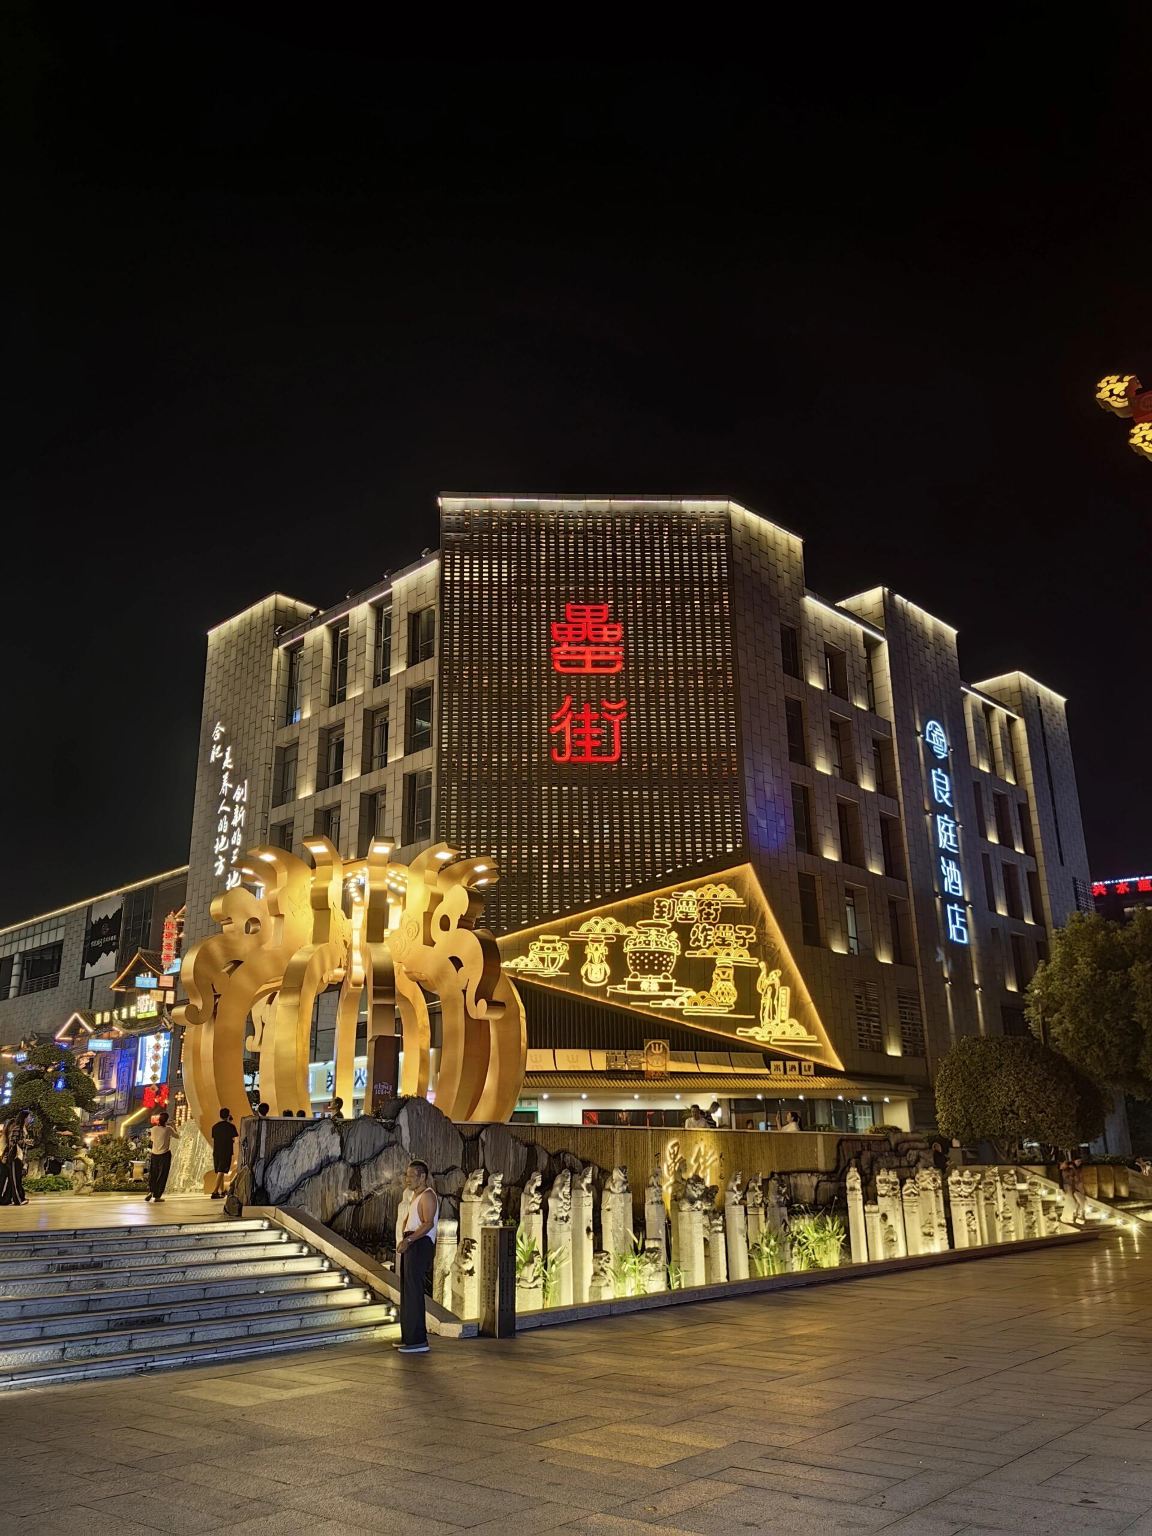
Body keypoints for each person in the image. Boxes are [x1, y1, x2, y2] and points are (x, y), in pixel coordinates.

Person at [394, 1159, 438, 1354]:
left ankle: (419, 1340)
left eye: (412, 1175)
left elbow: (428, 1224)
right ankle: (408, 1337)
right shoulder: (415, 1196)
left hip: (419, 1243)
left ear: (422, 1177)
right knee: (407, 1291)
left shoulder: (428, 1196)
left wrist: (409, 1240)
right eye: (407, 1175)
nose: (407, 1179)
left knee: (414, 1291)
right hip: (411, 1242)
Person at [146, 1111, 179, 1202]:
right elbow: (177, 1136)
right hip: (164, 1155)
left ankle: (151, 1191)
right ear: (167, 1120)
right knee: (162, 1175)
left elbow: (152, 1139)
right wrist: (173, 1126)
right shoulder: (168, 1129)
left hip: (154, 1154)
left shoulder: (153, 1129)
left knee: (153, 1174)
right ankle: (157, 1196)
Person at [0, 1110, 32, 1206]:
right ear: (25, 1118)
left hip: (20, 1156)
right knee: (15, 1179)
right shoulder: (18, 1128)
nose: (30, 1119)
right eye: (29, 1117)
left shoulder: (24, 1128)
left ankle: (6, 1200)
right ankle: (19, 1199)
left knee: (14, 1179)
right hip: (15, 1156)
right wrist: (24, 1141)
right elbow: (12, 1142)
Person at [210, 1107, 238, 1199]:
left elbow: (214, 1139)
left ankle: (221, 1191)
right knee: (222, 1170)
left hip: (216, 1151)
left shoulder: (215, 1126)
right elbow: (235, 1139)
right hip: (226, 1151)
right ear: (228, 1115)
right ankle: (215, 1192)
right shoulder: (231, 1126)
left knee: (219, 1171)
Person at [1061, 1154, 1087, 1224]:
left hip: (1074, 1187)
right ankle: (1067, 1217)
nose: (1079, 1163)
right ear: (1074, 1161)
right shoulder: (1070, 1168)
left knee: (1076, 1202)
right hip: (1069, 1187)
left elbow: (1077, 1178)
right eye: (1078, 1161)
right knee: (1072, 1202)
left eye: (1080, 1161)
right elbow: (1072, 1177)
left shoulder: (1076, 1168)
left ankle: (1071, 1216)